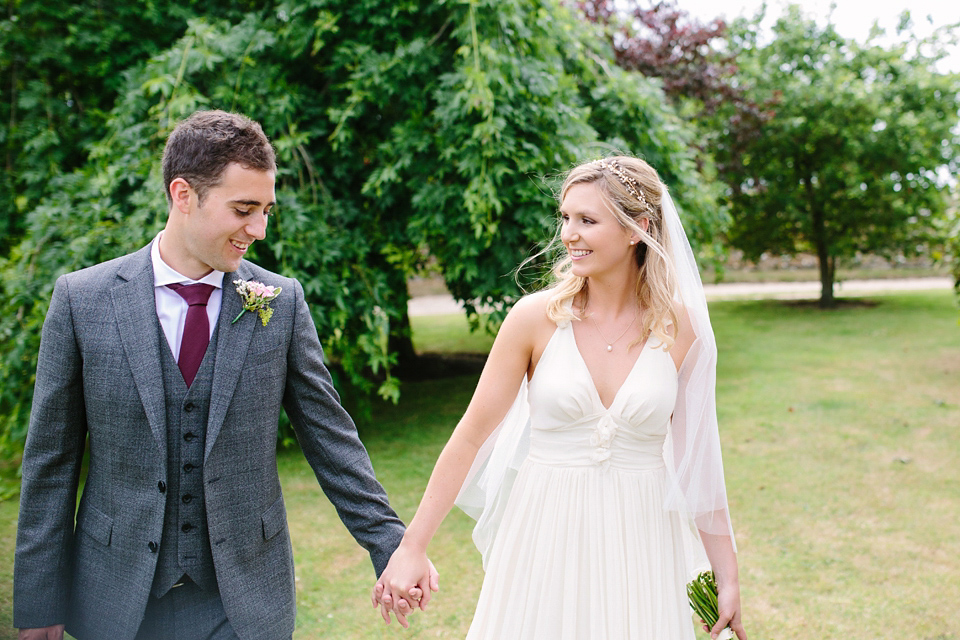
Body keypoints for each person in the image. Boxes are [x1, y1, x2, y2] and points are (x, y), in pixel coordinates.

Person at [13, 110, 435, 640]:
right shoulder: (83, 301)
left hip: (243, 606)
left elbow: (331, 440)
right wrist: (36, 604)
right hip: (115, 600)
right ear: (183, 194)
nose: (258, 230)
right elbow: (50, 466)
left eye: (265, 211)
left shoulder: (280, 303)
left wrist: (393, 547)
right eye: (243, 209)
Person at [373, 156, 746, 639]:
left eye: (587, 220)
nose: (569, 233)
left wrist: (728, 575)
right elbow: (469, 438)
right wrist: (412, 545)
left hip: (640, 541)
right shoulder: (534, 318)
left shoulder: (682, 328)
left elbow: (699, 464)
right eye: (566, 218)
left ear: (638, 228)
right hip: (545, 533)